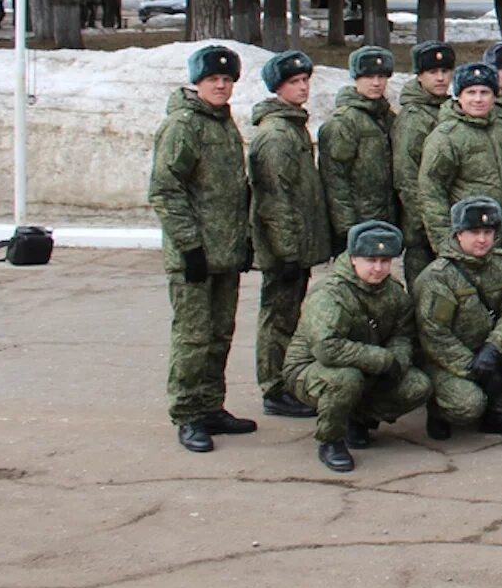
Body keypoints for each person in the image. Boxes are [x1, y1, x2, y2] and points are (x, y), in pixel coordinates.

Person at [151, 43, 256, 453]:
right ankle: (187, 414)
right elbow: (165, 190)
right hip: (194, 257)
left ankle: (211, 405)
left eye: (227, 80)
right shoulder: (183, 126)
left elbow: (233, 192)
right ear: (197, 82)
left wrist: (242, 242)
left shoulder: (222, 124)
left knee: (219, 335)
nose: (221, 86)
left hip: (224, 254)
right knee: (193, 338)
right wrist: (190, 246)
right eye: (213, 79)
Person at [285, 220, 433, 473]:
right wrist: (383, 360)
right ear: (354, 258)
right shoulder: (330, 293)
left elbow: (403, 334)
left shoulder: (394, 293)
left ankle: (359, 419)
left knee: (418, 385)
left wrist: (398, 361)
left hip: (367, 367)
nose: (378, 268)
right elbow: (327, 348)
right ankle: (330, 440)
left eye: (385, 261)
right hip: (312, 369)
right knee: (346, 379)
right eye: (370, 260)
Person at [249, 49, 333, 420]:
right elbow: (274, 199)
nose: (302, 88)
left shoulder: (292, 125)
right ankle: (275, 387)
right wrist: (284, 252)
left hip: (297, 245)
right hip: (285, 249)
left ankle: (286, 381)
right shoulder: (277, 134)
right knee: (278, 316)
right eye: (294, 83)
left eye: (304, 82)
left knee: (288, 313)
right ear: (277, 87)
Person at [414, 196, 502, 441]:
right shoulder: (439, 277)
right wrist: (473, 368)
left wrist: (494, 348)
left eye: (487, 232)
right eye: (474, 232)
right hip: (449, 359)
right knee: (468, 405)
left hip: (489, 348)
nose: (482, 239)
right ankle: (439, 410)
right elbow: (435, 336)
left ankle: (497, 412)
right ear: (458, 234)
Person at [415, 62, 502, 258]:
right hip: (466, 238)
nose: (478, 99)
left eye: (484, 92)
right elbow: (431, 191)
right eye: (471, 92)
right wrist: (444, 243)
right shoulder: (446, 137)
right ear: (459, 95)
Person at [390, 40, 456, 285]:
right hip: (424, 231)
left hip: (446, 223)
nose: (440, 78)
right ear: (419, 76)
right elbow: (406, 177)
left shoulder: (445, 109)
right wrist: (426, 225)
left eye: (445, 71)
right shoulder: (414, 118)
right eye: (432, 72)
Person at [319, 46, 398, 248]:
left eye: (382, 77)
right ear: (356, 78)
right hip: (357, 224)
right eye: (369, 76)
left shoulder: (387, 117)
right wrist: (347, 229)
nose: (376, 83)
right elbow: (335, 179)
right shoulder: (344, 122)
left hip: (384, 218)